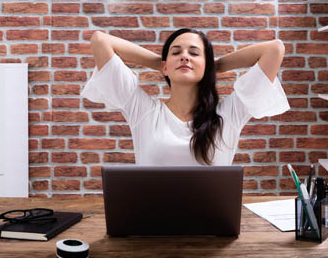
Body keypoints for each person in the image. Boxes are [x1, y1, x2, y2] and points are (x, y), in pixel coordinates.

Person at [81, 28, 289, 166]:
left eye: (194, 53)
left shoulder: (229, 115)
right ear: (165, 66)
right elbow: (100, 41)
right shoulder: (142, 111)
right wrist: (162, 64)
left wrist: (213, 66)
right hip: (152, 225)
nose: (185, 56)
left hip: (211, 228)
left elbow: (274, 49)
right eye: (176, 52)